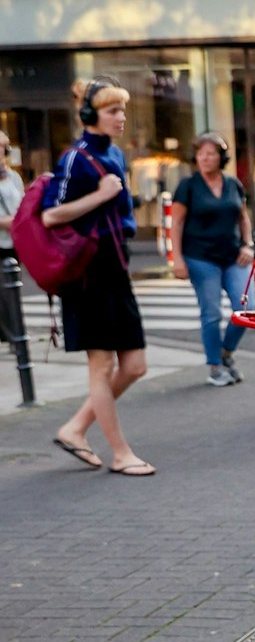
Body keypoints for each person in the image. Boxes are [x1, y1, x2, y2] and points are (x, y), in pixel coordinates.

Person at [42, 78, 153, 478]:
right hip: (87, 272)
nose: (122, 117)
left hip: (115, 268)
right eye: (113, 111)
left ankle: (75, 428)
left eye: (122, 109)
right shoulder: (75, 159)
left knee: (136, 365)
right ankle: (120, 454)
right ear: (90, 115)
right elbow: (50, 216)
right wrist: (101, 195)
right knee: (102, 365)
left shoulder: (116, 154)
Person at [169, 133, 255, 387]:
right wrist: (177, 259)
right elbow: (176, 223)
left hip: (233, 256)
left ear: (221, 157)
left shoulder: (233, 184)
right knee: (212, 313)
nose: (205, 158)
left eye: (211, 153)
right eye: (201, 154)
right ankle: (215, 366)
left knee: (248, 307)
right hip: (200, 257)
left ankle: (226, 353)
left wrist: (248, 245)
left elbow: (243, 218)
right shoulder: (188, 186)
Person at [0, 129, 23, 263]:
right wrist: (6, 222)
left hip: (14, 243)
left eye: (2, 146)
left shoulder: (13, 176)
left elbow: (23, 203)